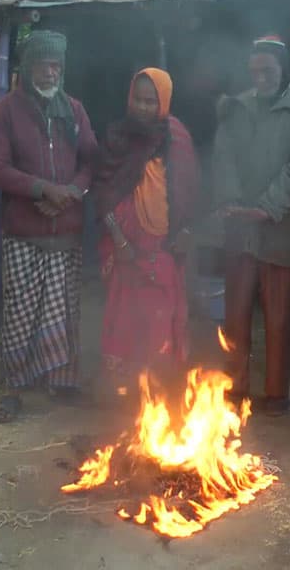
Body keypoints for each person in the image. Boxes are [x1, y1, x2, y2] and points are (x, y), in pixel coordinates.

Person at [213, 36, 290, 416]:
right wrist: (233, 200)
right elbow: (224, 154)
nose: (260, 78)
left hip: (283, 228)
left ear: (284, 70)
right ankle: (235, 388)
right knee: (234, 315)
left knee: (280, 317)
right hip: (241, 229)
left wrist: (268, 206)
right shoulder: (239, 106)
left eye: (268, 71)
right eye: (254, 72)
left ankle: (276, 395)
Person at [0, 30, 98, 418]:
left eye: (56, 65)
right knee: (21, 310)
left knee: (64, 308)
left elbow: (90, 162)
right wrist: (41, 189)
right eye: (42, 64)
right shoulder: (5, 111)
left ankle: (61, 382)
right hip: (23, 229)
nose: (50, 72)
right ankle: (15, 386)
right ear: (27, 66)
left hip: (65, 227)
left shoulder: (76, 110)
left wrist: (68, 192)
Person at [94, 68, 199, 386]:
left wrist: (186, 233)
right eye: (138, 100)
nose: (143, 107)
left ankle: (156, 393)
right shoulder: (117, 138)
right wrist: (118, 239)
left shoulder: (177, 139)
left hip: (163, 249)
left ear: (164, 102)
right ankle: (126, 396)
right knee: (125, 322)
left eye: (151, 101)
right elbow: (103, 195)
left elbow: (190, 194)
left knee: (160, 323)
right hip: (126, 250)